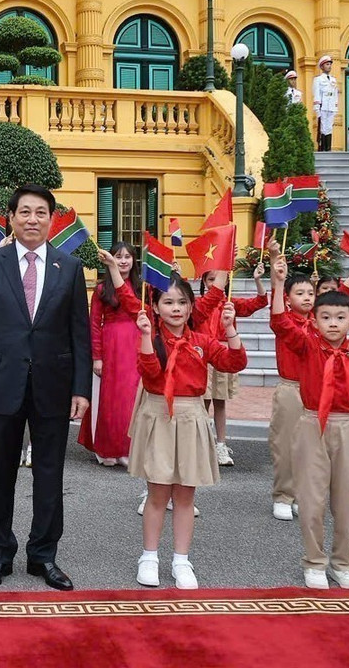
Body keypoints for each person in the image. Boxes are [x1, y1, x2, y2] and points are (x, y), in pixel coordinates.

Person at [0, 184, 91, 593]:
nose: (32, 219)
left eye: (40, 212)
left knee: (49, 475)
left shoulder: (68, 268)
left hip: (53, 385)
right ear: (11, 218)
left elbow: (80, 335)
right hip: (0, 384)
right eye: (24, 212)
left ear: (51, 219)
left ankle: (43, 555)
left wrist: (81, 389)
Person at [270, 253, 349, 590]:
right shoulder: (306, 346)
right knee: (311, 499)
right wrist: (278, 281)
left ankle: (344, 562)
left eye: (340, 317)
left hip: (348, 427)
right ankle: (314, 561)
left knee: (348, 500)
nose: (332, 323)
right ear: (313, 320)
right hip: (312, 423)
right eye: (324, 316)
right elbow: (280, 323)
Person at [130, 276, 246, 589]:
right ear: (155, 306)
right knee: (157, 494)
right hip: (159, 415)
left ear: (192, 305)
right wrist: (144, 336)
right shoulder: (152, 338)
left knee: (185, 496)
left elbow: (234, 362)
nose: (176, 308)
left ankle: (181, 559)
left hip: (193, 416)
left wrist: (231, 328)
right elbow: (150, 373)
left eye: (182, 302)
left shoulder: (203, 341)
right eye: (168, 302)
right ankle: (149, 557)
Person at [195, 266, 268, 467]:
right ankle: (200, 443)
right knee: (202, 402)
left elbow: (260, 302)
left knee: (220, 402)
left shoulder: (230, 304)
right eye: (209, 279)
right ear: (203, 282)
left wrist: (258, 280)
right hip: (203, 355)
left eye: (217, 279)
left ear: (227, 281)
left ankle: (220, 445)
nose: (213, 283)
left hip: (225, 354)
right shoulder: (199, 305)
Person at [78, 242, 141, 467]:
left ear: (134, 260)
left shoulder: (143, 287)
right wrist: (97, 356)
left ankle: (129, 448)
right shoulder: (103, 289)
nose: (123, 260)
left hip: (136, 346)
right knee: (110, 399)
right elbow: (94, 324)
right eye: (118, 256)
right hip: (111, 345)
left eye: (127, 256)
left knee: (131, 399)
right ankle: (107, 448)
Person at [267, 247, 312, 521]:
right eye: (300, 293)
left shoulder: (320, 323)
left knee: (311, 447)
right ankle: (283, 495)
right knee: (285, 445)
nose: (306, 298)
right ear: (288, 298)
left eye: (310, 293)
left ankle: (301, 494)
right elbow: (277, 316)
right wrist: (278, 275)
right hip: (290, 389)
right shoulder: (285, 322)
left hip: (315, 390)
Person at [312, 55, 339, 152]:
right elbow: (316, 93)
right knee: (323, 127)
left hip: (331, 105)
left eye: (330, 64)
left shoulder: (333, 80)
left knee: (329, 127)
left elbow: (335, 93)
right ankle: (322, 147)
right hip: (323, 105)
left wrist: (336, 106)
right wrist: (317, 107)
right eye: (327, 64)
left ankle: (328, 148)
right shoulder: (318, 79)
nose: (329, 66)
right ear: (322, 66)